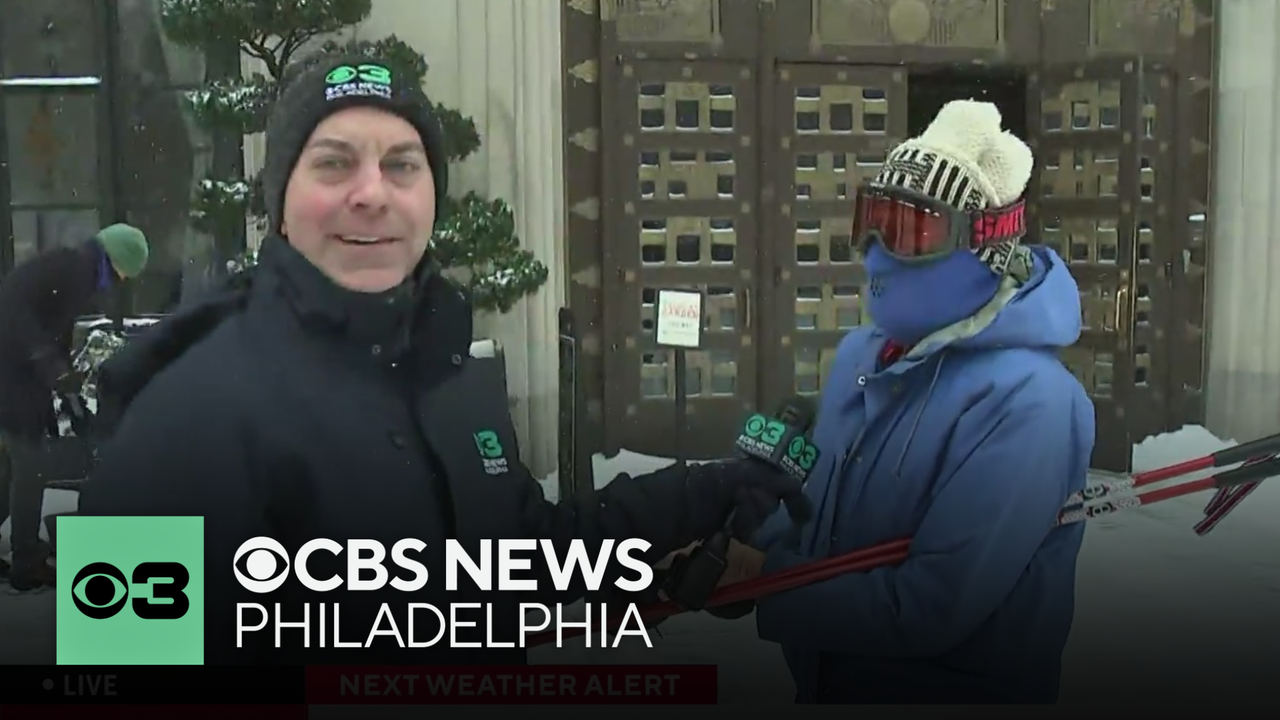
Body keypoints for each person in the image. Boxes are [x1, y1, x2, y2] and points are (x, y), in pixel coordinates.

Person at [76, 54, 810, 665]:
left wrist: (703, 500)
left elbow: (520, 557)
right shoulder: (181, 404)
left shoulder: (451, 378)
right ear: (280, 205)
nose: (372, 194)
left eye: (402, 165)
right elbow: (121, 656)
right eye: (333, 164)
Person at [723, 101, 1096, 703]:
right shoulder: (862, 357)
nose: (875, 252)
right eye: (871, 221)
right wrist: (742, 539)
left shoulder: (1032, 402)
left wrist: (764, 581)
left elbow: (931, 605)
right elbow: (814, 517)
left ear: (981, 245)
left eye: (910, 230)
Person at [0, 224, 149, 591]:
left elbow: (52, 325)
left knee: (13, 465)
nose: (122, 282)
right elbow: (15, 308)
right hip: (12, 372)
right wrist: (47, 361)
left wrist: (63, 372)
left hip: (20, 372)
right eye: (125, 274)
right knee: (30, 463)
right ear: (117, 261)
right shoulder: (73, 268)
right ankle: (26, 562)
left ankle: (26, 553)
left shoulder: (76, 269)